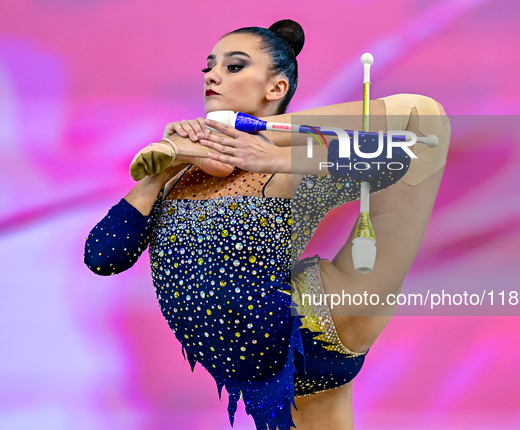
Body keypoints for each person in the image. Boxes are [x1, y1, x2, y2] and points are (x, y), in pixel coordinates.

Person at [84, 19, 450, 430]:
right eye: (209, 66)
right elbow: (103, 257)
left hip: (315, 323)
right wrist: (160, 173)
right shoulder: (180, 169)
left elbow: (412, 145)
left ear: (275, 88)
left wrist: (270, 148)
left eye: (234, 66)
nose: (213, 74)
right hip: (257, 366)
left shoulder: (296, 166)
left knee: (425, 119)